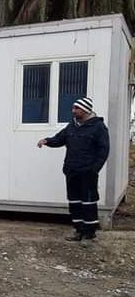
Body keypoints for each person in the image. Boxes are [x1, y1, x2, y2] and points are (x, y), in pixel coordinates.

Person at [37, 97, 109, 244]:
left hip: (88, 173)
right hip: (72, 171)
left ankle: (89, 234)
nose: (73, 111)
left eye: (76, 108)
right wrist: (47, 141)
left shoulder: (98, 127)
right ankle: (79, 230)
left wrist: (94, 169)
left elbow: (104, 150)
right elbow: (60, 139)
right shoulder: (72, 126)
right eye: (73, 108)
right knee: (74, 202)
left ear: (85, 110)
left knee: (88, 202)